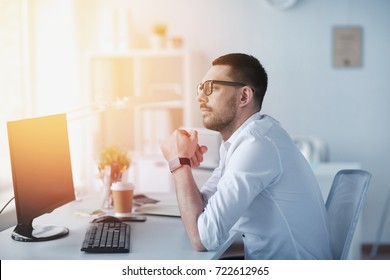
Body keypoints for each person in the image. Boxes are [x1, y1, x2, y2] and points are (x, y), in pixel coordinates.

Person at [160, 53, 332, 260]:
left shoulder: (256, 145)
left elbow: (201, 239)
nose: (200, 97)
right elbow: (202, 213)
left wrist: (179, 163)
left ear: (244, 96)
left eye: (211, 88)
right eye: (200, 88)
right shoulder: (240, 142)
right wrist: (183, 160)